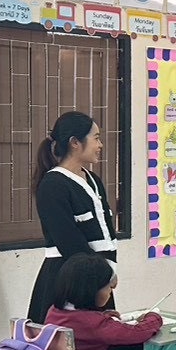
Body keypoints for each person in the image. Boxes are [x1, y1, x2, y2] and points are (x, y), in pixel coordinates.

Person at [28, 112, 116, 323]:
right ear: (75, 142)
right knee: (69, 341)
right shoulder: (52, 185)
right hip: (69, 280)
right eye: (96, 138)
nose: (100, 145)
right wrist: (102, 275)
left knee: (104, 338)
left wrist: (107, 275)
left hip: (98, 280)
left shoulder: (93, 179)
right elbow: (68, 241)